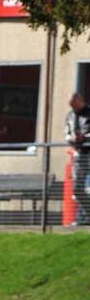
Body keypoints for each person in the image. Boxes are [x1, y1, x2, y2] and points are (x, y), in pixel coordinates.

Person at [65, 92, 90, 225]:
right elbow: (67, 134)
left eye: (74, 105)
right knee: (78, 189)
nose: (73, 109)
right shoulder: (70, 115)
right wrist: (72, 139)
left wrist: (84, 137)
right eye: (71, 106)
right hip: (80, 154)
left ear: (80, 101)